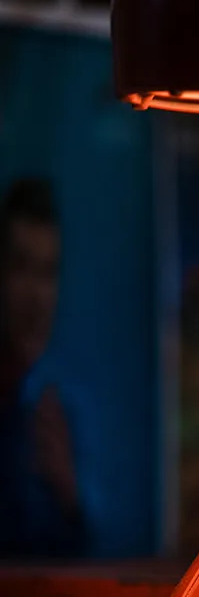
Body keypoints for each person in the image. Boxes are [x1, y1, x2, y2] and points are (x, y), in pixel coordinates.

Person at [0, 178, 85, 556]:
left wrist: (68, 496)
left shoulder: (48, 413)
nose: (37, 296)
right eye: (21, 267)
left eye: (48, 272)